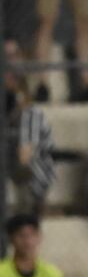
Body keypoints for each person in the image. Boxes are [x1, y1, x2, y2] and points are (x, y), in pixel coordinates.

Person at [4, 40, 56, 215]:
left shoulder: (30, 112)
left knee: (25, 168)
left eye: (12, 56)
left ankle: (29, 214)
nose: (9, 65)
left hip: (29, 174)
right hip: (8, 165)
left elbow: (24, 158)